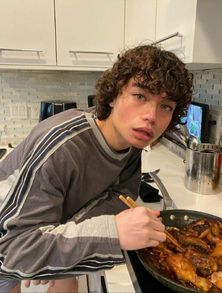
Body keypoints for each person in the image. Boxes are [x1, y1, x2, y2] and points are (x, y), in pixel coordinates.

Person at [0, 44, 193, 293]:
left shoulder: (131, 141)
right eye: (140, 96)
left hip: (46, 226)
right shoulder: (62, 146)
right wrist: (110, 232)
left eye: (166, 106)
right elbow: (14, 252)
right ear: (113, 96)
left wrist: (54, 251)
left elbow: (118, 197)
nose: (151, 116)